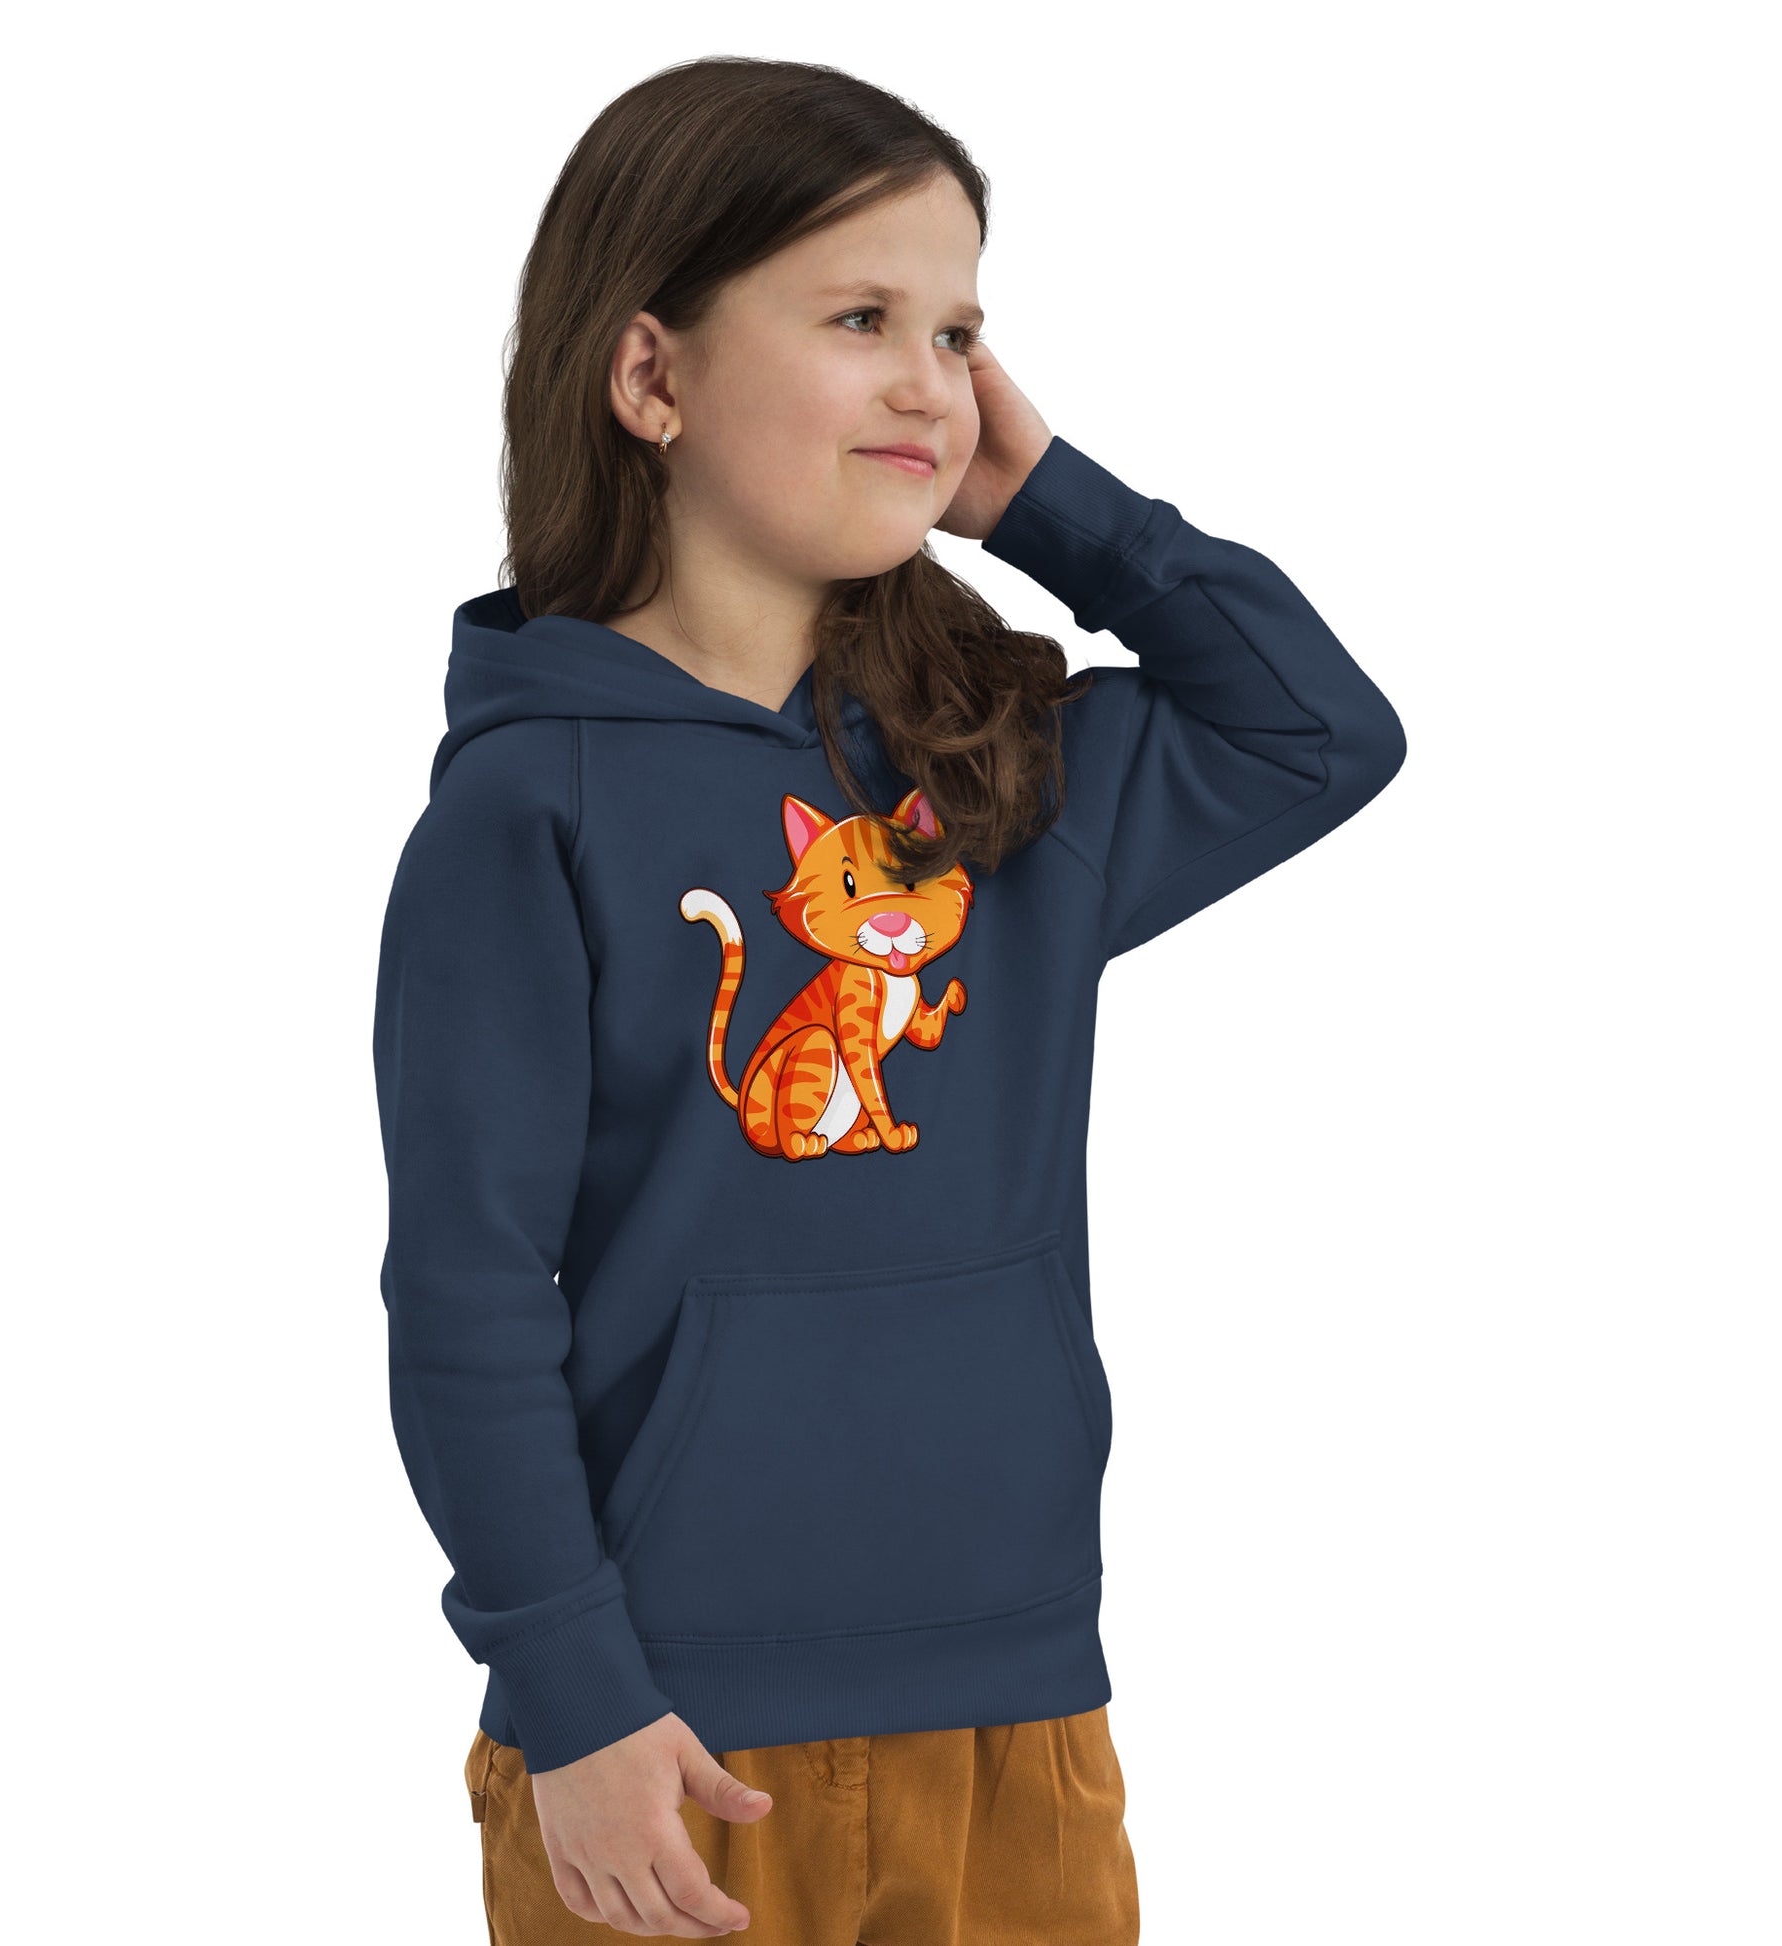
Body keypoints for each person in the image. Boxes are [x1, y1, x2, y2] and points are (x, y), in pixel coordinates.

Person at [372, 55, 1406, 1945]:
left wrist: (1054, 506)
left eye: (958, 331)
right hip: (659, 1731)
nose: (932, 382)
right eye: (860, 320)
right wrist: (571, 1685)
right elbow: (464, 1291)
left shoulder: (1004, 776)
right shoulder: (530, 806)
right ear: (650, 375)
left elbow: (1319, 732)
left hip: (1013, 1689)